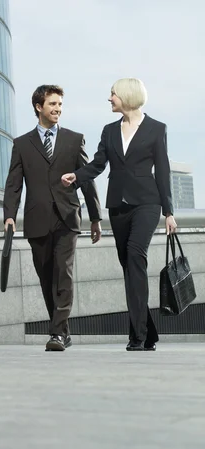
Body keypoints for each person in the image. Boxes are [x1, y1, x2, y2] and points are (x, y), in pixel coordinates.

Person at [61, 78, 178, 351]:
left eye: (112, 94)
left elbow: (163, 171)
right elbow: (99, 164)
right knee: (129, 267)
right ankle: (147, 332)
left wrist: (168, 211)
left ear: (126, 96)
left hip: (147, 204)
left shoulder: (156, 129)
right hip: (118, 206)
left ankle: (137, 336)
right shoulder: (109, 130)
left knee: (137, 255)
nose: (109, 99)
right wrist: (76, 176)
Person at [3, 85, 102, 352]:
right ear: (39, 107)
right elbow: (14, 184)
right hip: (37, 219)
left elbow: (86, 180)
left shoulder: (74, 139)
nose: (57, 109)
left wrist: (95, 217)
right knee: (46, 277)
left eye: (60, 105)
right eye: (52, 104)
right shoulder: (22, 144)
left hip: (67, 217)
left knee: (64, 273)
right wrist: (9, 216)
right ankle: (62, 332)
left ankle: (56, 333)